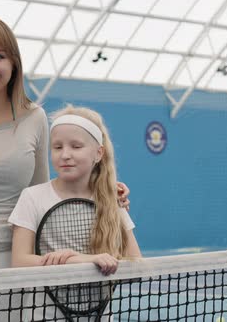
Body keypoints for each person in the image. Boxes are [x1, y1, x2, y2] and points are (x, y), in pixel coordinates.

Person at [0, 16, 131, 271]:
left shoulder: (35, 117)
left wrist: (101, 187)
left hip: (15, 261)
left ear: (14, 62)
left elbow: (42, 193)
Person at [9, 105, 141, 320]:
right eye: (57, 147)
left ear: (98, 153)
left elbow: (136, 265)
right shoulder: (32, 197)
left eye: (76, 146)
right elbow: (19, 262)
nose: (65, 155)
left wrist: (84, 259)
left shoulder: (112, 200)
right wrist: (76, 261)